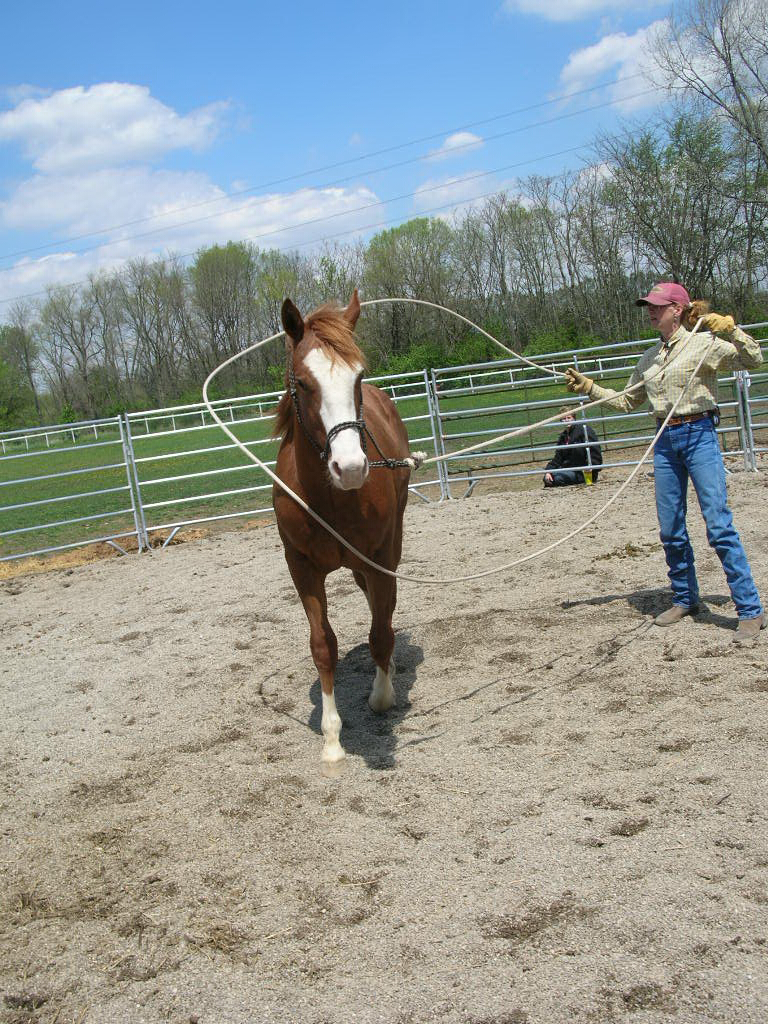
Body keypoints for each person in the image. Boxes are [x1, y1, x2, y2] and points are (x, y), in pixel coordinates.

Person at [564, 281, 766, 641]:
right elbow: (628, 400)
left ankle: (749, 609)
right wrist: (590, 387)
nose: (651, 311)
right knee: (671, 528)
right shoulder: (650, 358)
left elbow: (753, 359)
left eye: (658, 306)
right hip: (665, 440)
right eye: (649, 307)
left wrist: (733, 329)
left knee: (718, 526)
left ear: (677, 309)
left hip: (699, 434)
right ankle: (686, 598)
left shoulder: (704, 344)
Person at [543, 408, 603, 487]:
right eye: (563, 419)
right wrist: (549, 471)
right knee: (547, 478)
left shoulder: (584, 430)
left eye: (569, 418)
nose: (566, 420)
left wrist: (592, 466)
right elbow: (558, 458)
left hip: (583, 471)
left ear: (574, 418)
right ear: (560, 421)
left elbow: (595, 451)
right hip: (569, 469)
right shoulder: (563, 436)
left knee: (557, 479)